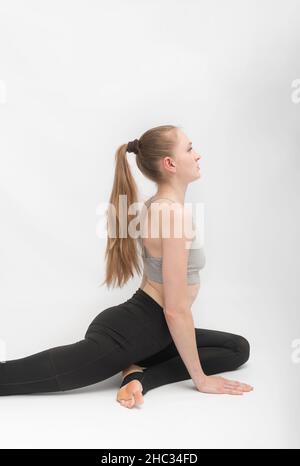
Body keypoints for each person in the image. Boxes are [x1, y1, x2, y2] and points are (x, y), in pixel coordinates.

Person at [0, 124, 253, 408]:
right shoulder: (172, 215)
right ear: (169, 163)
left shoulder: (156, 206)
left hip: (145, 327)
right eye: (190, 148)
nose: (198, 155)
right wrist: (201, 380)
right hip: (134, 331)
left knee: (236, 348)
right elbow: (175, 309)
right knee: (16, 378)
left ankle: (136, 371)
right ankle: (138, 372)